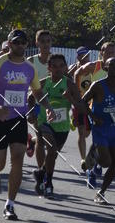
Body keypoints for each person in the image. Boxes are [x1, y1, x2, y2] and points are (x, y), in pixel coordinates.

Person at [0, 29, 53, 219]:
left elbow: (37, 92)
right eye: (16, 42)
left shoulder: (29, 68)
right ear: (10, 44)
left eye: (23, 42)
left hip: (19, 119)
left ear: (27, 45)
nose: (20, 45)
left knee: (18, 158)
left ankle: (10, 204)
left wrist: (48, 107)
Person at [74, 41, 115, 185]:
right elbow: (77, 73)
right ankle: (92, 166)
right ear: (101, 53)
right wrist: (78, 92)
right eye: (107, 52)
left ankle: (94, 165)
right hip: (94, 109)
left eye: (113, 52)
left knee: (107, 150)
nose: (110, 54)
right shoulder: (93, 66)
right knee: (85, 134)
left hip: (113, 113)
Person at [30, 53, 84, 198]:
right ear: (49, 68)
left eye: (61, 66)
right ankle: (49, 183)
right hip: (44, 122)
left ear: (66, 67)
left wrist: (70, 98)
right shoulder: (43, 83)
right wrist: (32, 113)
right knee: (50, 147)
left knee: (52, 155)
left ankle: (41, 173)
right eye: (54, 66)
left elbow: (81, 106)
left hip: (62, 126)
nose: (58, 69)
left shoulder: (70, 84)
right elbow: (31, 97)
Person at [82, 57, 115, 203]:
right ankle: (94, 153)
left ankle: (101, 192)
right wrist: (93, 116)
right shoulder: (98, 85)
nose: (113, 68)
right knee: (105, 162)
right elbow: (82, 102)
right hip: (101, 127)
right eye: (110, 65)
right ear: (105, 68)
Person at [69, 46, 92, 163]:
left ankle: (73, 119)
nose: (84, 58)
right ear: (77, 57)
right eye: (82, 56)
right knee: (82, 133)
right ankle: (84, 159)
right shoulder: (73, 70)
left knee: (87, 133)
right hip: (78, 105)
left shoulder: (93, 68)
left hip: (91, 104)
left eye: (86, 56)